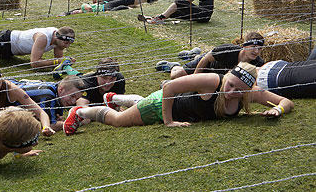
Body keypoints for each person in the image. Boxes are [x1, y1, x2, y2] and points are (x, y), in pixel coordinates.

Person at [63, 62, 293, 135]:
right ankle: (80, 112)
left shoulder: (251, 91)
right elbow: (170, 87)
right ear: (227, 77)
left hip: (168, 103)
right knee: (118, 121)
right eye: (230, 84)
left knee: (130, 110)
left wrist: (277, 110)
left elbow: (286, 102)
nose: (232, 91)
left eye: (239, 90)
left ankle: (116, 97)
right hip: (158, 105)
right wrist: (168, 121)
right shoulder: (213, 81)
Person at [0, 25, 76, 69]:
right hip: (6, 40)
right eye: (66, 43)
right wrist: (58, 61)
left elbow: (57, 63)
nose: (67, 46)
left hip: (13, 49)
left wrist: (65, 63)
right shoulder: (43, 38)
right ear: (58, 37)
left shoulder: (58, 39)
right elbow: (34, 63)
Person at [169, 32, 265, 79]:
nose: (256, 51)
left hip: (218, 78)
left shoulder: (258, 64)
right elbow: (206, 59)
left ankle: (194, 56)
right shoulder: (228, 50)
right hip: (207, 64)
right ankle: (174, 66)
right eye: (253, 47)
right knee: (176, 75)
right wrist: (194, 78)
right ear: (244, 46)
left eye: (259, 48)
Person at [11, 75, 84, 131]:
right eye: (72, 96)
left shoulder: (55, 89)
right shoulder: (48, 95)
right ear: (61, 89)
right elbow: (51, 125)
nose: (73, 101)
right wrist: (73, 123)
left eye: (77, 99)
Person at [62, 0, 158, 16]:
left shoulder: (83, 6)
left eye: (74, 11)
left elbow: (90, 8)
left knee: (126, 0)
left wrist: (82, 11)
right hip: (106, 11)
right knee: (122, 7)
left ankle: (148, 0)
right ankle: (133, 10)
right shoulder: (83, 13)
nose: (74, 12)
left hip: (105, 6)